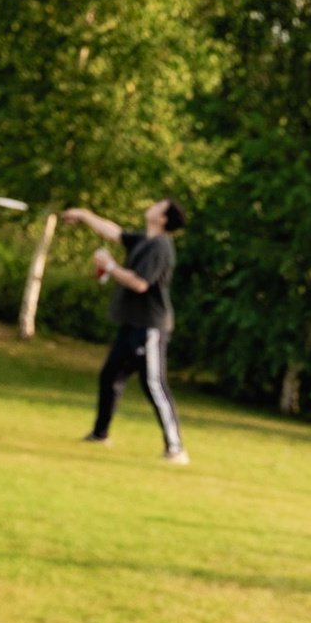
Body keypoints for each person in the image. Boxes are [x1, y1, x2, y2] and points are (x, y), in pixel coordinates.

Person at [69, 197, 188, 461]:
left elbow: (140, 284)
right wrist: (84, 214)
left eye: (158, 205)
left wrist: (109, 265)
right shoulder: (144, 239)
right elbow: (113, 232)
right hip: (131, 324)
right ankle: (100, 434)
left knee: (154, 385)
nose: (152, 205)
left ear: (163, 219)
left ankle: (176, 448)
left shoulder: (160, 247)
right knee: (110, 376)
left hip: (150, 328)